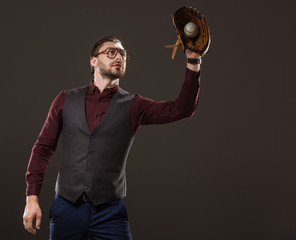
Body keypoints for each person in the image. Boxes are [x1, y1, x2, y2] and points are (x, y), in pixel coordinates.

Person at [23, 36, 201, 240]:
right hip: (66, 209)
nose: (119, 57)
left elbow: (182, 109)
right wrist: (31, 199)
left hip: (110, 213)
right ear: (93, 61)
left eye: (123, 54)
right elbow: (43, 149)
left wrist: (193, 60)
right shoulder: (65, 99)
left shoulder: (135, 105)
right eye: (111, 52)